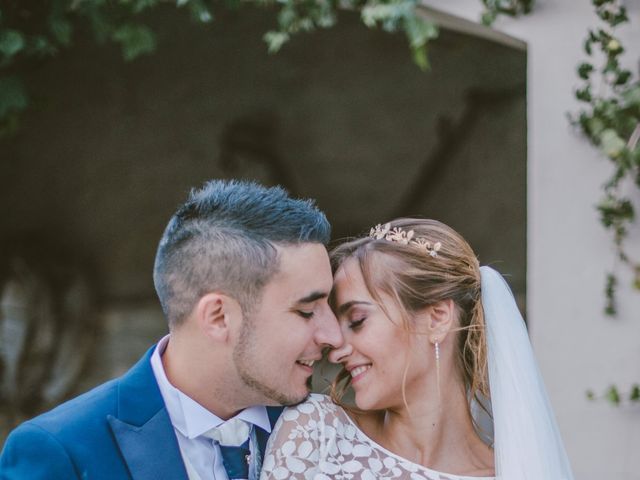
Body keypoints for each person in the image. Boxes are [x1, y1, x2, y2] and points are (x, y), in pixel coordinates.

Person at [0, 180, 343, 480]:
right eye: (306, 310)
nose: (333, 336)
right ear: (219, 317)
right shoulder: (61, 452)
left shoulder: (332, 433)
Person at [261, 218, 574, 480]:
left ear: (437, 319)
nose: (336, 349)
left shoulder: (516, 472)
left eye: (357, 320)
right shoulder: (316, 432)